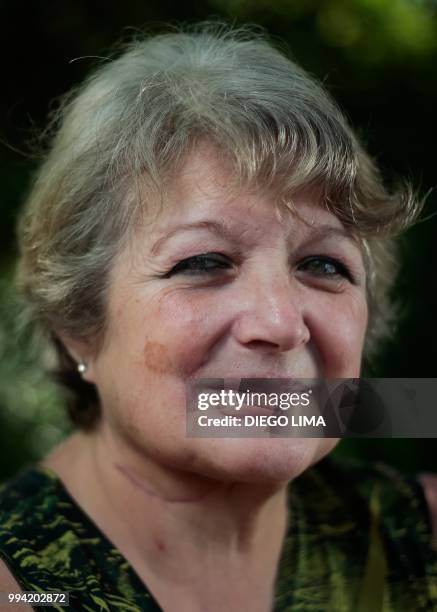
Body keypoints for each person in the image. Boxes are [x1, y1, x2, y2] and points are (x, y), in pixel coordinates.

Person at [0, 22, 436, 611]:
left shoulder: (422, 538)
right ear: (78, 321)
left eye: (324, 265)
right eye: (204, 262)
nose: (281, 323)